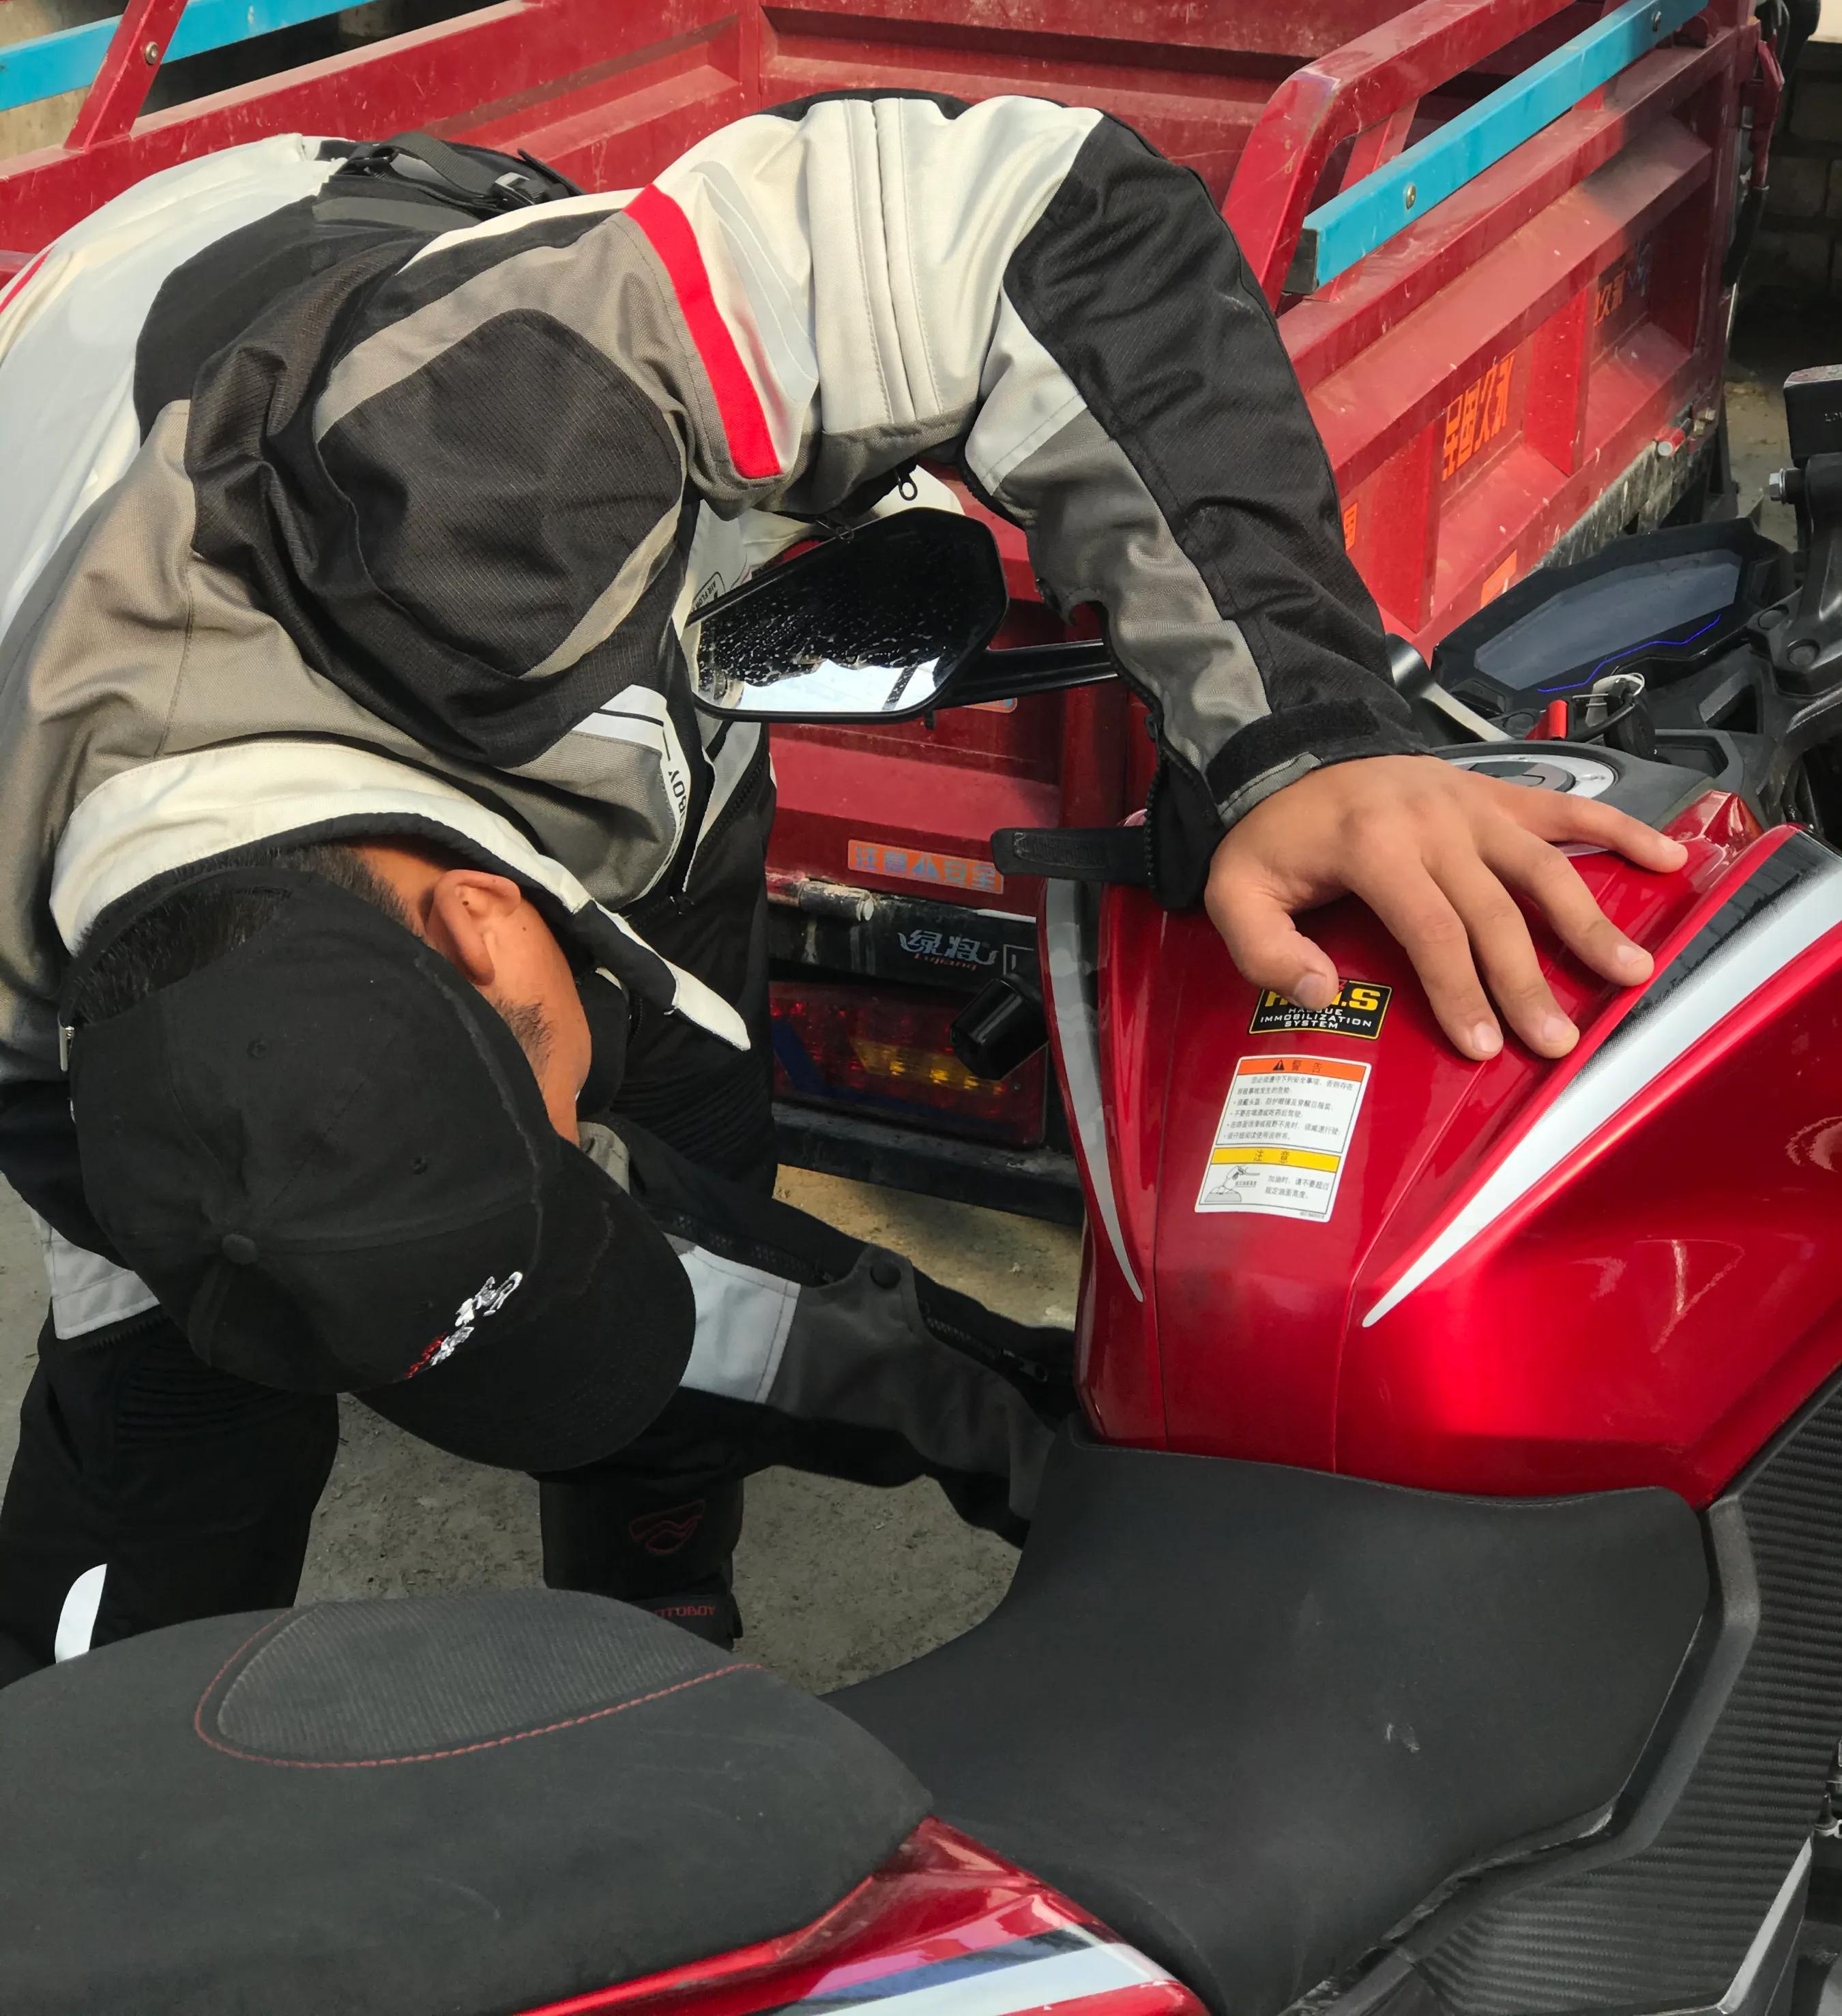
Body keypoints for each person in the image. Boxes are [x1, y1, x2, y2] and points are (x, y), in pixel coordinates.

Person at [0, 100, 1682, 1680]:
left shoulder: (468, 458)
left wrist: (1298, 729)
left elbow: (1038, 213)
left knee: (689, 1124)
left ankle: (649, 1621)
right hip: (91, 515)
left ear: (485, 921)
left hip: (261, 273)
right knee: (173, 1446)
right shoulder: (46, 1048)